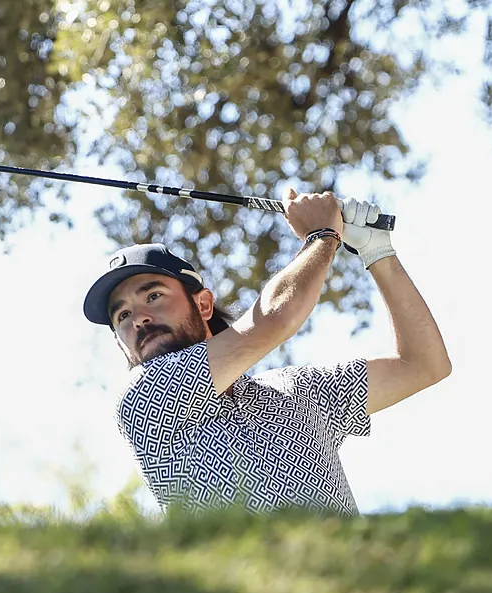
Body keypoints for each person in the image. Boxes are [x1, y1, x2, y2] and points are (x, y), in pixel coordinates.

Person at [82, 188, 451, 515]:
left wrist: (376, 249)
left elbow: (424, 364)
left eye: (153, 296)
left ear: (204, 305)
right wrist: (323, 235)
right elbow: (275, 319)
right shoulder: (143, 397)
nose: (140, 319)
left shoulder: (298, 390)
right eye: (123, 315)